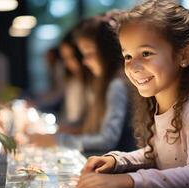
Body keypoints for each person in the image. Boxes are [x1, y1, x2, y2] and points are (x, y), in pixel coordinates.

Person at [75, 1, 189, 188]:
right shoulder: (162, 101)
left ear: (184, 55)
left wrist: (127, 180)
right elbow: (158, 153)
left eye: (146, 53)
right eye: (128, 56)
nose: (133, 67)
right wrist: (116, 160)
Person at [57, 15, 136, 153]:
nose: (85, 62)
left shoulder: (116, 85)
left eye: (89, 54)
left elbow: (107, 140)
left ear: (106, 52)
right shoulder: (104, 83)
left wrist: (58, 140)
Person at [58, 31, 92, 133]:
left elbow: (93, 128)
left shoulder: (95, 84)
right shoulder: (73, 81)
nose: (67, 63)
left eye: (70, 57)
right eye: (64, 58)